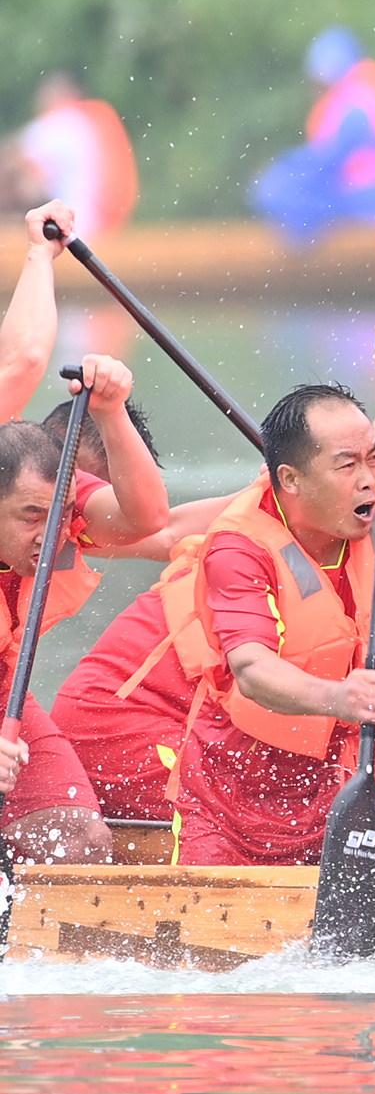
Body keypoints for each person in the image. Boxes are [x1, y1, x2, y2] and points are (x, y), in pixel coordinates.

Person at [61, 294, 375, 835]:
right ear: (294, 478)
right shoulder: (253, 532)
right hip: (157, 712)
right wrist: (53, 540)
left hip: (296, 726)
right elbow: (165, 528)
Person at [167, 321, 375, 868]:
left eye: (373, 457)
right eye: (347, 465)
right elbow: (251, 668)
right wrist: (337, 698)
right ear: (291, 480)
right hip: (243, 777)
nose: (371, 479)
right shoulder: (239, 547)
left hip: (367, 749)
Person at [0, 358, 171, 866]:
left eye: (61, 517)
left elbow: (148, 519)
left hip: (5, 689)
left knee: (77, 840)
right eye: (32, 517)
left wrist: (112, 411)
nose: (51, 535)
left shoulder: (56, 492)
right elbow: (26, 353)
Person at [248, 28, 375, 247]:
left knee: (274, 191)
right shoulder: (373, 87)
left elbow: (327, 160)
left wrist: (279, 171)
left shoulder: (356, 100)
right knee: (284, 191)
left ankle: (302, 241)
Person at [6, 79, 136, 239]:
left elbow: (13, 155)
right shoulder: (87, 122)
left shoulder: (63, 123)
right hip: (100, 225)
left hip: (74, 227)